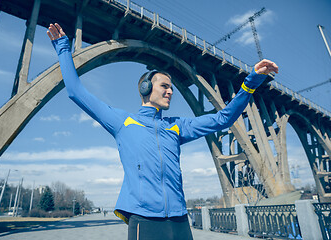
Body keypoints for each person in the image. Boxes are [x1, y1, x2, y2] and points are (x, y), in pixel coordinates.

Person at [47, 23, 278, 240]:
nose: (170, 92)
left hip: (180, 220)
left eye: (171, 87)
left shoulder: (177, 126)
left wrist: (250, 83)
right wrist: (63, 48)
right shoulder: (122, 122)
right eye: (164, 86)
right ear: (146, 88)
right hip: (145, 220)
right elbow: (76, 92)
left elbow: (223, 119)